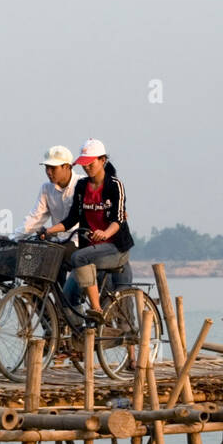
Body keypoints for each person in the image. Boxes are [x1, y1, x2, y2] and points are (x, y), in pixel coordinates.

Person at [38, 138, 133, 323]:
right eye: (84, 164)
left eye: (91, 163)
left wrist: (105, 233)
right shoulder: (82, 186)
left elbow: (118, 219)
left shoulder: (114, 185)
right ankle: (79, 340)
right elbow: (72, 218)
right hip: (91, 250)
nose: (87, 167)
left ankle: (96, 309)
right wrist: (49, 231)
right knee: (68, 296)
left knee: (79, 258)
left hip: (114, 247)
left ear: (102, 160)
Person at [22, 145, 84, 239]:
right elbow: (35, 219)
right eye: (47, 168)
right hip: (57, 242)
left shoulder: (83, 184)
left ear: (67, 167)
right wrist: (13, 238)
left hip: (79, 241)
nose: (49, 172)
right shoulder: (46, 188)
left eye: (53, 168)